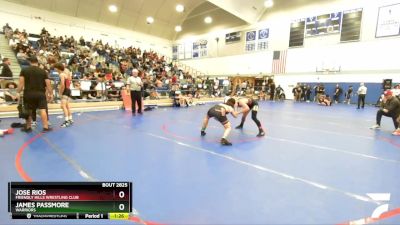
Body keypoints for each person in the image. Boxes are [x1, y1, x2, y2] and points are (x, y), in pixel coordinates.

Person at [17, 56, 53, 132]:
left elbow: (21, 84)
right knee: (42, 109)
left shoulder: (24, 70)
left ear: (30, 62)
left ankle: (28, 127)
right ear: (37, 62)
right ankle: (45, 127)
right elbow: (48, 83)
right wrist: (51, 94)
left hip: (28, 93)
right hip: (40, 93)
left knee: (28, 110)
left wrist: (18, 92)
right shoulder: (43, 71)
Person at [54, 63, 73, 128]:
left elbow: (62, 84)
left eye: (55, 67)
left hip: (65, 91)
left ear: (58, 68)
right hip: (68, 90)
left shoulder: (61, 74)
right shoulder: (65, 74)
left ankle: (66, 121)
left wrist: (60, 92)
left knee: (63, 106)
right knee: (67, 106)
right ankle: (70, 119)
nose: (54, 69)